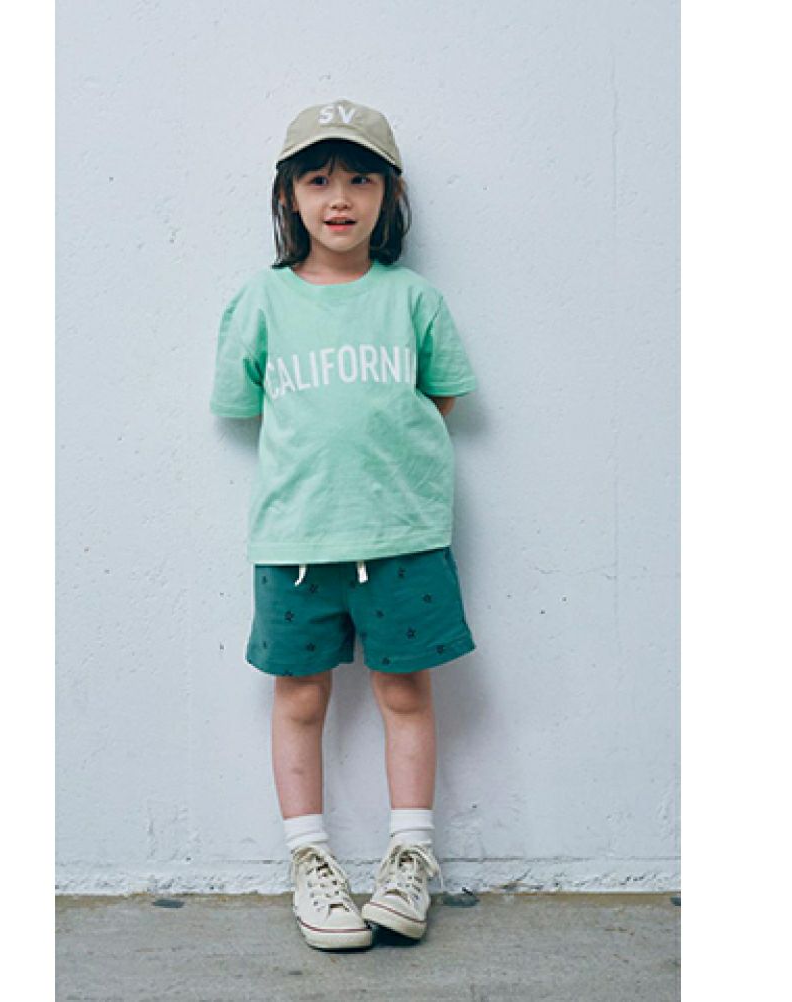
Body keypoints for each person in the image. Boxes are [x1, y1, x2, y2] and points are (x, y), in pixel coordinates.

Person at [209, 98, 478, 951]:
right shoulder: (261, 300)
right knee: (300, 697)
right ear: (287, 196)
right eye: (318, 179)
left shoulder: (413, 299)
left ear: (388, 195)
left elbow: (441, 397)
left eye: (360, 179)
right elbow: (242, 405)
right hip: (296, 541)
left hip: (403, 537)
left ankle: (410, 858)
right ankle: (310, 861)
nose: (339, 198)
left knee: (405, 693)